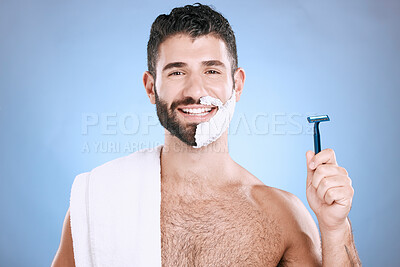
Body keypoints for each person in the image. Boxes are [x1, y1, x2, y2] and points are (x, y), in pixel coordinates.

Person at [52, 3, 361, 266]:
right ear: (150, 87)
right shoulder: (98, 199)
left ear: (237, 84)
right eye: (176, 72)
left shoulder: (282, 218)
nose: (195, 90)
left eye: (211, 71)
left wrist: (335, 228)